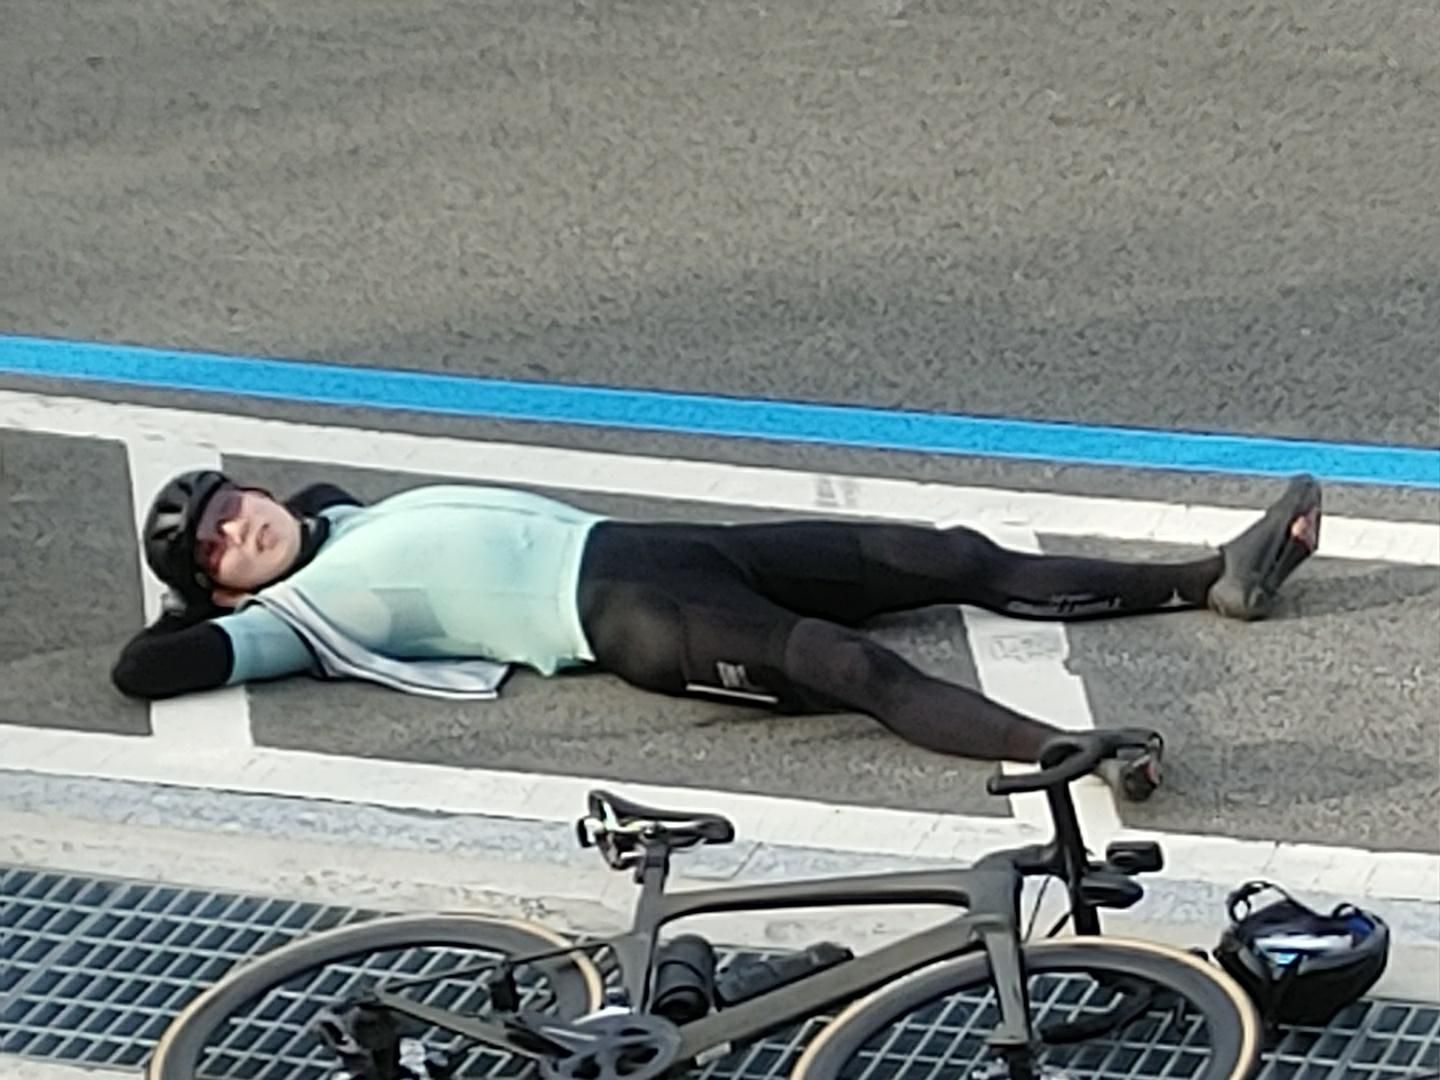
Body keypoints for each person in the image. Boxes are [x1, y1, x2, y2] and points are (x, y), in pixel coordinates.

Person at [111, 470, 1322, 801]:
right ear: (220, 591)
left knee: (949, 555)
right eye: (214, 548)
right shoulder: (298, 619)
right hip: (640, 622)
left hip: (677, 546)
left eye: (231, 506)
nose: (239, 529)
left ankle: (1212, 579)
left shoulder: (339, 521)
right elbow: (144, 668)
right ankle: (1078, 753)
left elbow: (313, 500)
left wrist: (274, 534)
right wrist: (207, 612)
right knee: (856, 667)